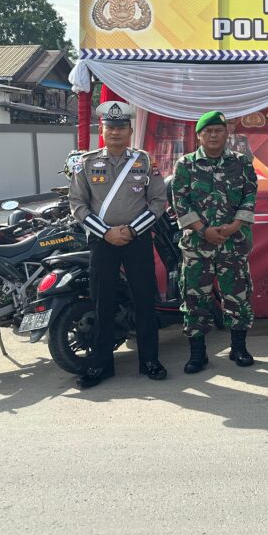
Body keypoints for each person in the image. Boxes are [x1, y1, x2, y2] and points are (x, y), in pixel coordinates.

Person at [69, 101, 167, 388]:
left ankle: (150, 360)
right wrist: (106, 233)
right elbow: (77, 204)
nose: (115, 132)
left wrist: (133, 230)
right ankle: (101, 365)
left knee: (145, 300)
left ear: (130, 130)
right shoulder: (86, 163)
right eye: (110, 127)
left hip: (136, 241)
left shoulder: (144, 161)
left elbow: (159, 201)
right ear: (102, 129)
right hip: (102, 242)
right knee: (102, 302)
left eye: (120, 127)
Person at [171, 111, 258, 374]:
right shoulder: (185, 165)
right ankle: (198, 354)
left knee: (237, 296)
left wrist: (234, 226)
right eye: (207, 131)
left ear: (226, 133)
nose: (213, 135)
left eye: (218, 130)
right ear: (199, 135)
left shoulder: (242, 163)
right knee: (195, 298)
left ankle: (239, 349)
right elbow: (180, 201)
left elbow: (249, 195)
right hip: (198, 246)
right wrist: (203, 230)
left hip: (234, 243)